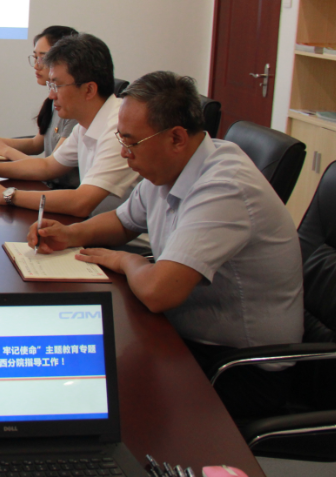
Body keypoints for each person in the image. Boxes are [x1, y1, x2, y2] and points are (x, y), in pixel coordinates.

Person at [28, 71, 303, 420]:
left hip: (240, 368)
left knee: (98, 394)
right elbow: (124, 221)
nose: (124, 152)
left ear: (176, 138)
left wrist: (127, 261)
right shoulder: (172, 165)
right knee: (80, 359)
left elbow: (158, 292)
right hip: (185, 334)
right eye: (121, 139)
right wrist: (71, 234)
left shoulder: (224, 186)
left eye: (131, 142)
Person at [0, 33, 139, 217]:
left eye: (57, 86)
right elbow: (47, 166)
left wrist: (7, 195)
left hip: (121, 237)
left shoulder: (118, 130)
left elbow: (81, 203)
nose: (51, 95)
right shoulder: (85, 124)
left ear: (89, 89)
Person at [0, 25, 80, 189]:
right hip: (47, 186)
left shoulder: (74, 109)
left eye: (43, 58)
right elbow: (36, 144)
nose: (36, 65)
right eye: (35, 57)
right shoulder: (55, 99)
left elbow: (48, 169)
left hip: (60, 191)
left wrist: (5, 150)